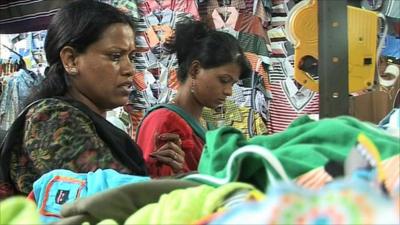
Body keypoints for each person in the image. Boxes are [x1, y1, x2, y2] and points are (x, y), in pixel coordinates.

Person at [0, 0, 183, 198]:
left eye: (130, 56)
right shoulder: (53, 119)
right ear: (71, 60)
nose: (130, 69)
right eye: (115, 56)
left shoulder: (83, 120)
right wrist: (173, 184)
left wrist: (151, 169)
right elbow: (111, 201)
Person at [136, 21, 251, 177]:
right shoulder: (165, 121)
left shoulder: (203, 124)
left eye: (232, 83)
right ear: (195, 70)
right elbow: (156, 190)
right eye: (224, 80)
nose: (229, 92)